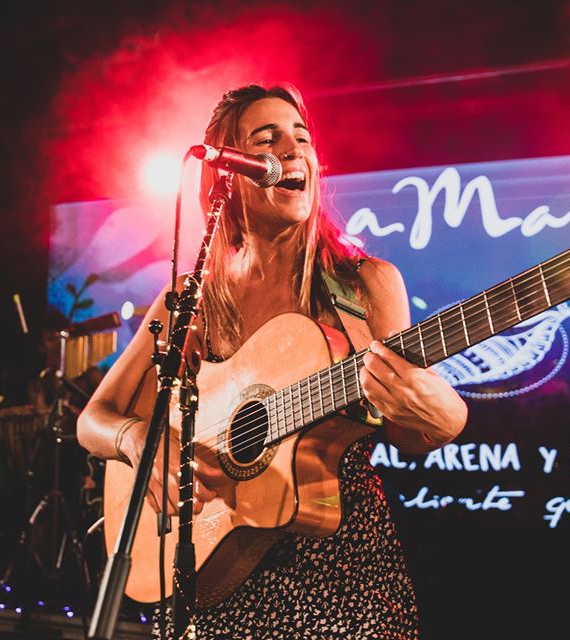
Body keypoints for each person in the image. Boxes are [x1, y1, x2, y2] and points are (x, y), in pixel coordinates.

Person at [76, 83, 468, 638]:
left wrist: (438, 415)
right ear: (228, 178)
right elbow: (94, 419)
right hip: (209, 582)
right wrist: (138, 441)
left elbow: (409, 430)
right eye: (267, 140)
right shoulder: (189, 301)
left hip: (343, 583)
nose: (292, 150)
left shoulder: (362, 286)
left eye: (301, 138)